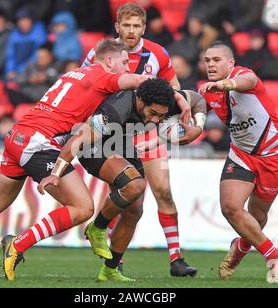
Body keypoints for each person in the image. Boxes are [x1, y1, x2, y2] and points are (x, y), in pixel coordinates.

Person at [0, 39, 150, 280]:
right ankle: (18, 244)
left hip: (18, 135)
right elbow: (139, 82)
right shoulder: (102, 76)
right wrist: (169, 92)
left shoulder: (74, 73)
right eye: (125, 62)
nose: (128, 67)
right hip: (40, 142)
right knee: (83, 208)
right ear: (109, 61)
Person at [36, 79, 206, 281]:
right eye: (152, 114)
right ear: (140, 100)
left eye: (161, 116)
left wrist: (198, 126)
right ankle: (97, 227)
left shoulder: (165, 101)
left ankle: (110, 269)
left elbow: (198, 99)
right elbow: (78, 140)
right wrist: (56, 173)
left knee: (134, 210)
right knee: (134, 185)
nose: (155, 121)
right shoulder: (116, 110)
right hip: (94, 147)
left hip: (122, 143)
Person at [81, 3, 197, 276]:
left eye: (137, 26)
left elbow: (173, 88)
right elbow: (84, 87)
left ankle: (176, 259)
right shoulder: (99, 54)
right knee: (129, 198)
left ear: (144, 28)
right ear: (117, 27)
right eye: (127, 25)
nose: (132, 31)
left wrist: (177, 111)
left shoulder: (158, 54)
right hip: (113, 135)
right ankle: (113, 259)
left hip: (147, 134)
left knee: (163, 191)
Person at [199, 42, 278, 284]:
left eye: (216, 60)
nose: (210, 64)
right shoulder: (209, 90)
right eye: (207, 60)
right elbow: (193, 112)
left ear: (230, 63)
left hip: (275, 154)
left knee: (257, 216)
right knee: (230, 207)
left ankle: (238, 251)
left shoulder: (240, 76)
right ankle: (275, 255)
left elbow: (249, 81)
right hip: (241, 153)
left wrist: (225, 84)